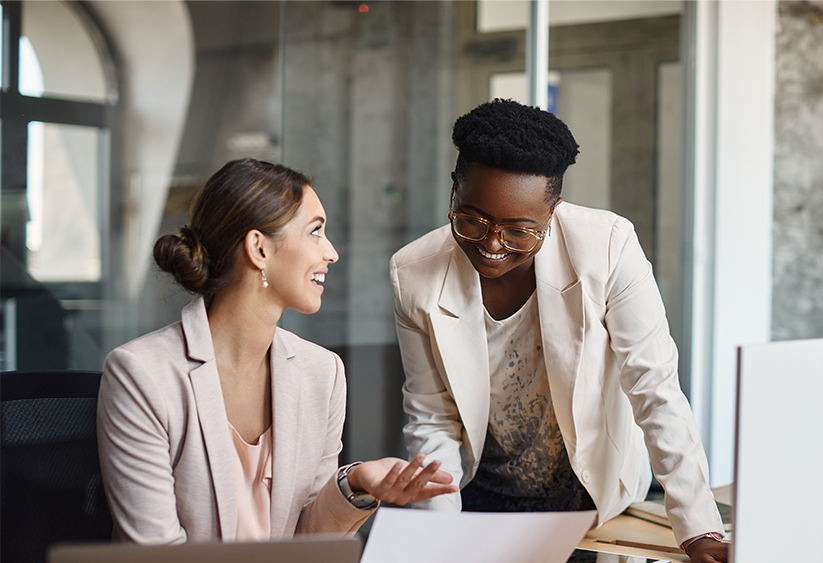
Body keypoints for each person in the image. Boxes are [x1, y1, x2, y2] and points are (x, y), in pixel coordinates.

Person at [390, 100, 728, 562]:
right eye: (472, 219)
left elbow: (655, 388)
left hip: (592, 504)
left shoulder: (608, 246)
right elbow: (433, 419)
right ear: (455, 189)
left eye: (519, 231)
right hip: (480, 502)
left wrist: (699, 528)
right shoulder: (413, 274)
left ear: (553, 211)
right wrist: (442, 538)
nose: (492, 244)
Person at [97, 158, 457, 544]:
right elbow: (156, 556)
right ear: (259, 249)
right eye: (315, 231)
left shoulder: (322, 373)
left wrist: (355, 484)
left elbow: (308, 544)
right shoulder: (142, 375)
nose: (332, 253)